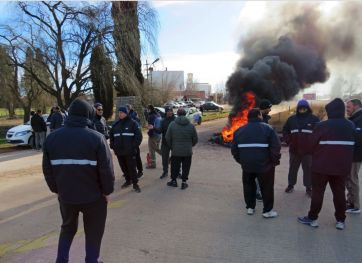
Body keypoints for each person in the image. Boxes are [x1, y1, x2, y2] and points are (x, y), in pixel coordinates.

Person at [42, 98, 115, 263]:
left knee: (67, 229)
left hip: (66, 197)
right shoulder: (97, 138)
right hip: (94, 198)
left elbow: (47, 170)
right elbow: (106, 170)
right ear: (88, 114)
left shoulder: (51, 139)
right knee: (94, 231)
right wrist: (106, 191)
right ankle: (92, 259)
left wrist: (57, 190)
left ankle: (61, 260)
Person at [298, 98, 355, 230]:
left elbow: (310, 146)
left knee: (318, 193)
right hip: (341, 168)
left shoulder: (321, 126)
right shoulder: (350, 125)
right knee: (339, 193)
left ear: (330, 111)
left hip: (321, 167)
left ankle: (313, 219)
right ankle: (341, 220)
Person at [231, 108, 281, 218]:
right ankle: (267, 211)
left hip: (247, 165)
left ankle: (250, 207)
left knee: (248, 185)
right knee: (267, 187)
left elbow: (234, 150)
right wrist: (274, 161)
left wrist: (242, 161)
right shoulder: (268, 129)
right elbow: (276, 147)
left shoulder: (239, 131)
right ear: (259, 116)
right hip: (265, 166)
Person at [283, 99, 320, 197]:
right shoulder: (291, 119)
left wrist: (314, 145)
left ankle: (309, 187)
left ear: (308, 108)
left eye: (304, 108)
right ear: (298, 108)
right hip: (294, 150)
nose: (302, 109)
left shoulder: (314, 119)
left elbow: (319, 133)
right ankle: (291, 185)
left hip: (308, 151)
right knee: (293, 169)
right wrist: (289, 141)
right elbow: (285, 131)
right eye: (300, 108)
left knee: (308, 170)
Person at [110, 106, 142, 193]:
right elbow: (111, 136)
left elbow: (139, 137)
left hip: (130, 152)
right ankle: (128, 180)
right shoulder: (116, 125)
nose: (120, 114)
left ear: (126, 113)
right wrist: (113, 146)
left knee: (132, 168)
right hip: (119, 152)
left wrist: (133, 147)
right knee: (123, 168)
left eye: (122, 112)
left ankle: (135, 184)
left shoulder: (133, 123)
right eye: (119, 112)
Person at [165, 108, 198, 189]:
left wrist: (172, 146)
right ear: (185, 114)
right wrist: (190, 145)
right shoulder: (191, 126)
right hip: (187, 151)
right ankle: (184, 182)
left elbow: (167, 137)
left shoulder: (172, 124)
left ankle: (174, 181)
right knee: (186, 167)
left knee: (175, 166)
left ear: (178, 114)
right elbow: (195, 139)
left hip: (176, 150)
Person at [345, 99, 362, 214]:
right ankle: (350, 201)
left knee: (352, 178)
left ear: (356, 106)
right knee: (349, 178)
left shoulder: (360, 119)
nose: (347, 109)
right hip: (351, 154)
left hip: (355, 155)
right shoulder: (355, 119)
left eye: (348, 107)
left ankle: (355, 206)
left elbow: (358, 138)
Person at [126, 104, 143, 178]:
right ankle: (131, 171)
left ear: (129, 109)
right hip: (128, 142)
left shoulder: (134, 115)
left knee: (137, 157)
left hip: (134, 141)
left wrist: (136, 143)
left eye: (127, 109)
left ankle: (140, 171)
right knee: (129, 158)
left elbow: (138, 128)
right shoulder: (126, 117)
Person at [158, 107, 176, 179]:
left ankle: (177, 172)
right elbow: (160, 131)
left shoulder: (176, 120)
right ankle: (165, 172)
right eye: (168, 111)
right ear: (166, 112)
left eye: (170, 111)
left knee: (176, 158)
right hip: (165, 143)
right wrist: (153, 128)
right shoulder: (163, 121)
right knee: (164, 158)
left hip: (174, 143)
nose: (169, 112)